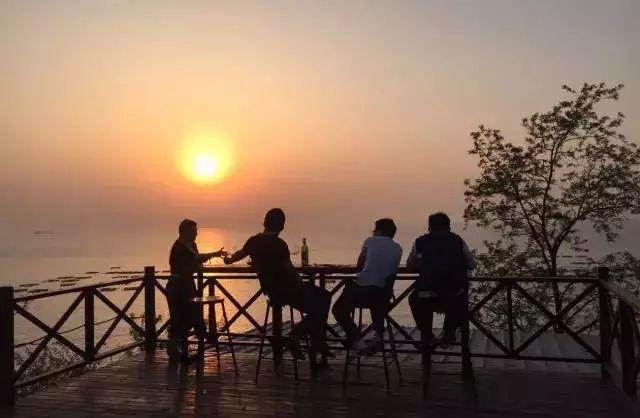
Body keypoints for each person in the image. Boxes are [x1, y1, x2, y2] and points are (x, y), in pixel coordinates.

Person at [223, 208, 331, 358]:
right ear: (282, 226)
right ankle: (299, 337)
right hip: (289, 291)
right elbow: (289, 271)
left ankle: (314, 342)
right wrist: (305, 280)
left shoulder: (253, 241)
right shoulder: (279, 244)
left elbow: (236, 257)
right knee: (323, 300)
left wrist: (228, 260)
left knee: (317, 307)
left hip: (271, 292)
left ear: (265, 222)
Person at [332, 218, 402, 354]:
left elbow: (360, 265)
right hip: (383, 296)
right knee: (375, 294)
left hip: (364, 293)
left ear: (379, 231)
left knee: (338, 309)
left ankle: (356, 339)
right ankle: (378, 335)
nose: (373, 233)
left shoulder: (370, 241)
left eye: (374, 230)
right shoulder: (398, 248)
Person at [406, 212, 475, 347]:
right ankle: (448, 334)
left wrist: (422, 263)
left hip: (428, 293)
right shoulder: (457, 240)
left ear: (429, 227)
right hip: (454, 292)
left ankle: (427, 334)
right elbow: (472, 264)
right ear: (449, 227)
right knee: (458, 300)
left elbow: (409, 264)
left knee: (413, 299)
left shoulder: (420, 241)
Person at [166, 219, 227, 361]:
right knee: (180, 318)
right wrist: (214, 254)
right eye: (193, 231)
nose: (196, 234)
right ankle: (177, 351)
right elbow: (195, 259)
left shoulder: (192, 245)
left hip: (188, 285)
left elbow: (197, 262)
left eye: (196, 231)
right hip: (177, 286)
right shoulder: (178, 248)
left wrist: (202, 261)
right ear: (184, 231)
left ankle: (194, 350)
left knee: (193, 317)